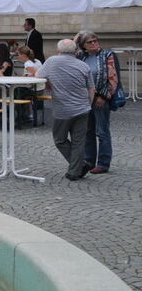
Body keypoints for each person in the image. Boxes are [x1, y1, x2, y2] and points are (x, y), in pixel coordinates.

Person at [37, 39, 93, 180]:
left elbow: (38, 77)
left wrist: (50, 82)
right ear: (75, 51)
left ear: (59, 50)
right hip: (82, 108)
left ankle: (77, 168)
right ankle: (76, 169)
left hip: (62, 109)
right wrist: (89, 104)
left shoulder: (52, 61)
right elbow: (91, 88)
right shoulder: (83, 65)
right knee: (78, 141)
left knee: (60, 140)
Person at [76, 31, 119, 174]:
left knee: (102, 131)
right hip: (85, 100)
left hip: (101, 99)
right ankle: (89, 160)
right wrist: (76, 38)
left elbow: (112, 78)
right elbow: (67, 51)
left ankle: (103, 163)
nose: (94, 43)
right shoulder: (81, 56)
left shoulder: (107, 55)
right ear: (83, 46)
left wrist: (105, 96)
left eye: (95, 40)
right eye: (90, 42)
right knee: (88, 131)